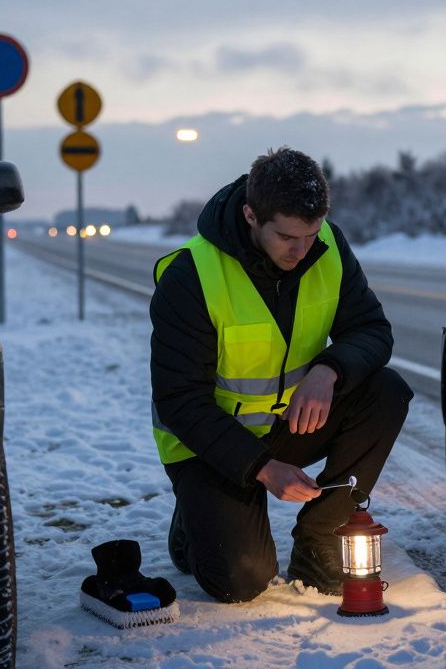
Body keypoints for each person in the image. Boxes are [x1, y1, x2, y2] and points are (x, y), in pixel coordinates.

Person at [150, 147, 411, 603]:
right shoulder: (191, 275)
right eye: (288, 236)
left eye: (311, 234)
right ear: (251, 215)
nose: (302, 249)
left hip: (287, 425)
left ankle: (320, 543)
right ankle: (193, 524)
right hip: (211, 447)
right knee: (242, 581)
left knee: (386, 392)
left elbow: (372, 330)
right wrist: (262, 469)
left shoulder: (328, 246)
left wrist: (329, 370)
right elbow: (179, 401)